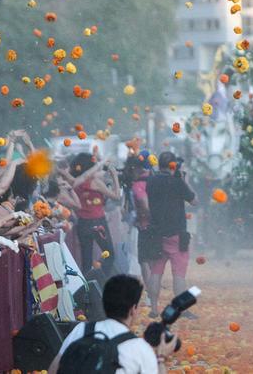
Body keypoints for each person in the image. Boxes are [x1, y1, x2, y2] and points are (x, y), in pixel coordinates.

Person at [50, 274, 158, 374]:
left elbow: (53, 370)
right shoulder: (140, 348)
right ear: (133, 310)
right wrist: (161, 357)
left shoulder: (81, 330)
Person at [140, 152, 196, 316]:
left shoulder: (151, 181)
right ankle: (181, 309)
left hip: (156, 233)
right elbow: (194, 200)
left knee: (156, 272)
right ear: (173, 165)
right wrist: (185, 180)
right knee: (178, 273)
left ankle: (154, 309)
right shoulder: (177, 182)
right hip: (177, 233)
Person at [65, 153, 120, 276]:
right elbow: (116, 196)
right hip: (98, 222)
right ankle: (102, 282)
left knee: (86, 260)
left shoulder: (74, 182)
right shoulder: (94, 182)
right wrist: (115, 177)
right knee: (109, 254)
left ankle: (89, 289)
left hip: (82, 223)